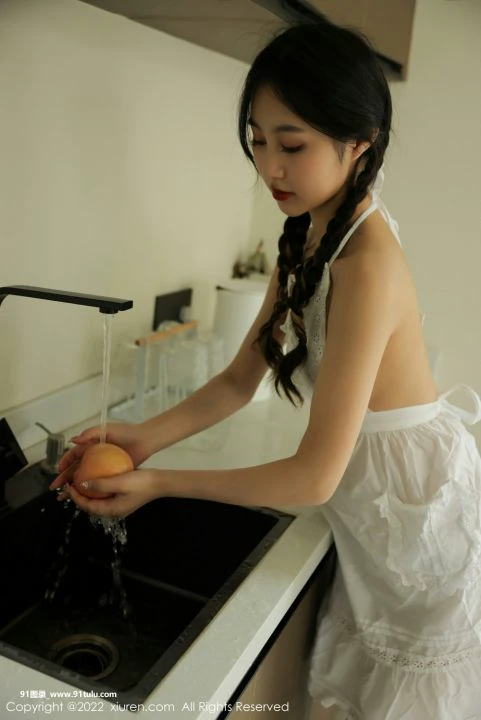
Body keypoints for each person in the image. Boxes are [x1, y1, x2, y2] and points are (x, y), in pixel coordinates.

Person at [50, 16, 481, 720]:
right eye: (257, 139)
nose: (269, 167)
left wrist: (157, 483)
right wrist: (143, 439)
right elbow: (236, 380)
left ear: (359, 142)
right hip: (371, 512)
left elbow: (313, 477)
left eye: (291, 144)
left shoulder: (365, 266)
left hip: (413, 523)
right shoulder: (309, 233)